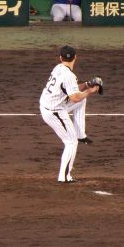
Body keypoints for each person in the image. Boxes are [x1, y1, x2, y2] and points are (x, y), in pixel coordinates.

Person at [39, 45, 100, 183]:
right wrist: (90, 91)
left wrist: (87, 84)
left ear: (60, 58)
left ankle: (80, 134)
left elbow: (72, 91)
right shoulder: (69, 75)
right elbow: (74, 97)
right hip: (54, 111)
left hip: (49, 104)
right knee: (70, 142)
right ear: (76, 58)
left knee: (81, 101)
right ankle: (64, 177)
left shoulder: (58, 68)